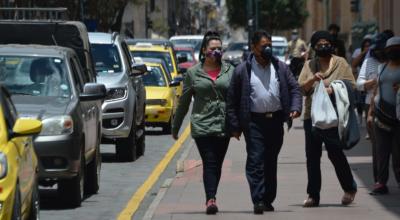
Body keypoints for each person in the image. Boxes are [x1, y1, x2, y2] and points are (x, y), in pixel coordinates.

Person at [226, 30, 302, 214]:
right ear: (253, 47)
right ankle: (258, 199)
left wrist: (295, 107)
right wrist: (235, 126)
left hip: (275, 122)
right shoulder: (242, 70)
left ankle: (268, 199)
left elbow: (294, 89)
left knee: (270, 161)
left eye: (270, 45)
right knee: (255, 160)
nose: (268, 49)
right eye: (263, 46)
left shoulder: (281, 67)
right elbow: (231, 100)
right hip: (254, 123)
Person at [171, 31, 234, 215]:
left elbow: (237, 98)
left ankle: (211, 194)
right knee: (210, 161)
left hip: (224, 124)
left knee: (217, 163)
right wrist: (176, 127)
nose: (217, 52)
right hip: (202, 125)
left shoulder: (230, 71)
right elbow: (183, 102)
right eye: (213, 48)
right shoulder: (193, 73)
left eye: (219, 49)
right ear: (204, 50)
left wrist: (240, 125)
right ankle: (210, 199)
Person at [298, 31, 357, 207]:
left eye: (326, 43)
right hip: (313, 117)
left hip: (334, 116)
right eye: (319, 44)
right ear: (314, 47)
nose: (323, 46)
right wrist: (313, 81)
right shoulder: (309, 65)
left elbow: (351, 85)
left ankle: (349, 187)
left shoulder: (341, 63)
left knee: (335, 153)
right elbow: (301, 88)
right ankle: (313, 195)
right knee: (312, 156)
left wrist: (334, 88)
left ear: (331, 45)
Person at [367, 36, 400, 195]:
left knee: (398, 153)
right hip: (381, 115)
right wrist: (370, 112)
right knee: (381, 151)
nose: (393, 51)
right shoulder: (382, 68)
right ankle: (381, 183)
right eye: (390, 49)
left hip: (398, 117)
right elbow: (376, 91)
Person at [356, 32, 390, 183]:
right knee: (378, 147)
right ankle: (380, 181)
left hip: (394, 107)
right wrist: (372, 82)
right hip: (373, 106)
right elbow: (359, 85)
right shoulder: (369, 61)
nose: (377, 53)